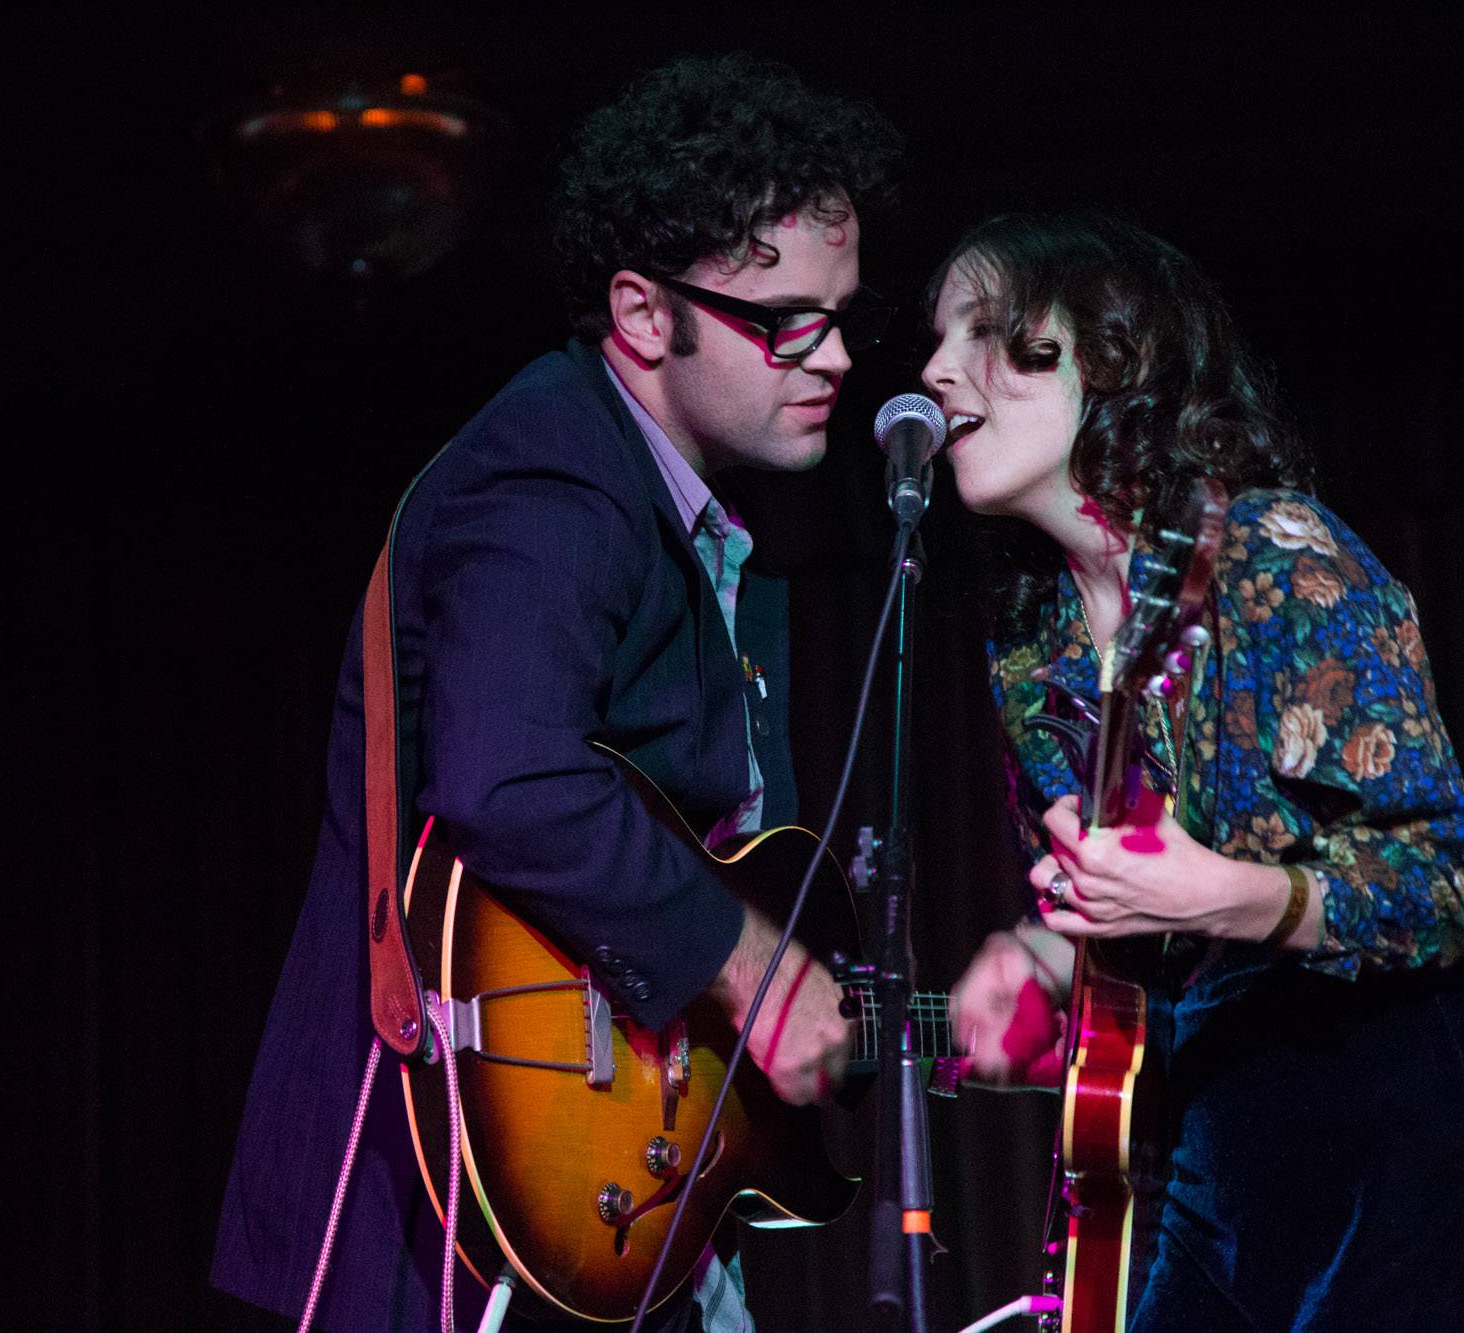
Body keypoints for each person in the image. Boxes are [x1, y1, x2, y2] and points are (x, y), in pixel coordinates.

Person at [210, 56, 901, 1332]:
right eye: (785, 320)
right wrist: (754, 973)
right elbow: (508, 773)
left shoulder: (705, 520)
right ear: (642, 315)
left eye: (843, 316)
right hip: (455, 1213)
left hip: (623, 1216)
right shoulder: (551, 476)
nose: (837, 357)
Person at [929, 212, 1464, 1328]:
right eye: (935, 340)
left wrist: (1226, 895)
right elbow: (1144, 924)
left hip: (1396, 1125)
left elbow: (1440, 886)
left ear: (1113, 356)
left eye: (987, 333)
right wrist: (1047, 954)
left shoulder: (1274, 555)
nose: (936, 370)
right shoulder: (1028, 642)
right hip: (1219, 1147)